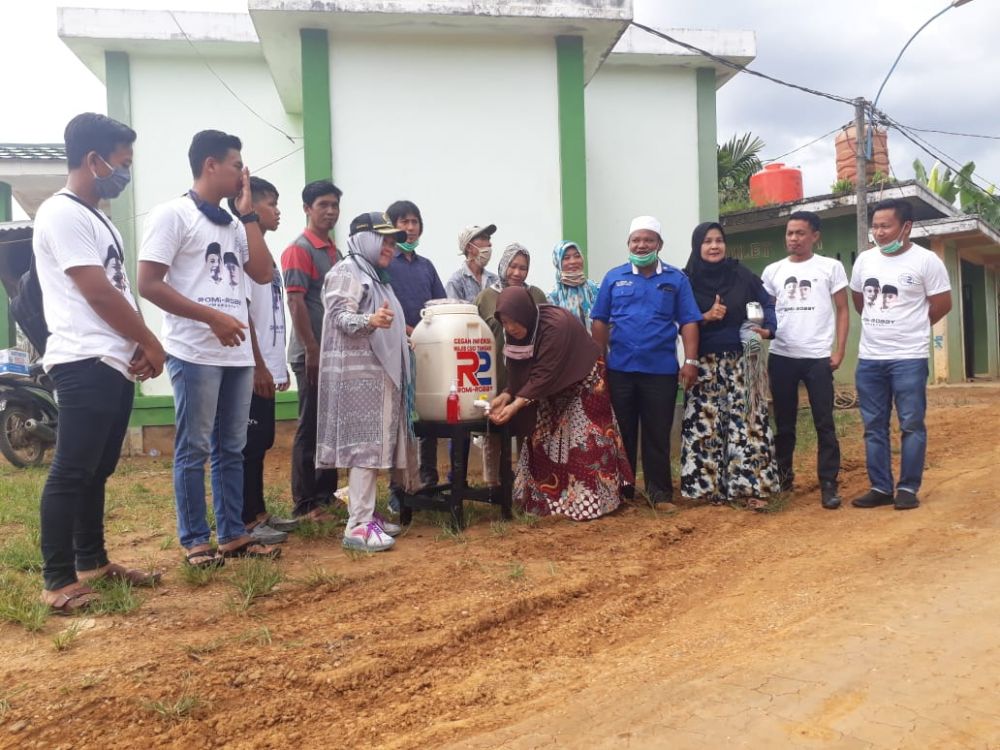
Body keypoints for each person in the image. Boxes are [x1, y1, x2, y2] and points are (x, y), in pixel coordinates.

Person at [34, 112, 165, 613]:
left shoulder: (100, 218)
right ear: (94, 160)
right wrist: (149, 340)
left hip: (111, 360)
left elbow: (118, 291)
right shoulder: (62, 213)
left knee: (97, 469)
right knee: (71, 471)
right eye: (122, 162)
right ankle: (57, 580)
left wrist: (132, 344)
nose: (125, 172)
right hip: (82, 359)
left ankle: (93, 562)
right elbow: (97, 292)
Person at [138, 129, 279, 566]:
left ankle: (233, 535)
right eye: (237, 165)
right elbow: (148, 284)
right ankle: (196, 540)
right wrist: (211, 318)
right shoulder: (173, 215)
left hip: (235, 354)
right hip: (194, 350)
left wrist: (250, 216)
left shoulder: (235, 224)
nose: (243, 174)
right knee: (194, 447)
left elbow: (261, 272)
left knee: (230, 448)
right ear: (211, 165)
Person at [315, 212, 417, 552]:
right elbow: (339, 316)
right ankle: (357, 525)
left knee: (374, 448)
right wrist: (370, 320)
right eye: (384, 240)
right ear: (365, 239)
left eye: (392, 241)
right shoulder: (346, 272)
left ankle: (368, 514)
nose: (390, 246)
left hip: (377, 376)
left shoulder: (375, 275)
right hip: (356, 377)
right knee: (363, 448)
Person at [489, 287, 632, 519]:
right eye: (504, 322)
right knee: (542, 440)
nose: (510, 327)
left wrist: (515, 406)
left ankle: (589, 505)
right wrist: (507, 395)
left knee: (583, 442)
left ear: (525, 313)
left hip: (583, 380)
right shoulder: (514, 333)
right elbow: (516, 367)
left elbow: (544, 374)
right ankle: (546, 503)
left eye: (513, 321)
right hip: (547, 388)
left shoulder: (556, 325)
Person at [590, 216, 701, 507]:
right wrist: (599, 361)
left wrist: (690, 360)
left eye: (648, 240)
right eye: (636, 240)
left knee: (657, 433)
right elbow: (599, 320)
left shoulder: (676, 279)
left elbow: (689, 321)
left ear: (659, 244)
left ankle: (660, 493)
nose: (642, 245)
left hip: (661, 372)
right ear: (628, 244)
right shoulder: (614, 278)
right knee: (621, 434)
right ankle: (622, 494)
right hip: (620, 370)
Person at [849, 198, 952, 511]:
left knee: (911, 424)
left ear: (906, 227)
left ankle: (907, 487)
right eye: (875, 226)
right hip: (869, 359)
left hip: (909, 357)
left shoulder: (926, 261)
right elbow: (858, 300)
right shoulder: (865, 261)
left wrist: (912, 326)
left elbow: (942, 304)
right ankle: (880, 487)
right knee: (873, 426)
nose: (879, 232)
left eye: (886, 226)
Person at [680, 221, 779, 510]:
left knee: (748, 422)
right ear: (697, 246)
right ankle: (707, 490)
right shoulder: (686, 281)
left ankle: (751, 487)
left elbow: (768, 303)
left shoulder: (741, 274)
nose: (714, 246)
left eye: (719, 240)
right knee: (706, 424)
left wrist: (768, 328)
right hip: (705, 361)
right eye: (707, 241)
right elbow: (679, 321)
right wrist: (705, 315)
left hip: (744, 358)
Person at [227, 177, 299, 543]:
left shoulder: (265, 254)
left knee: (263, 441)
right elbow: (244, 311)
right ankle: (245, 520)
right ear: (250, 206)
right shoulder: (240, 250)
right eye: (270, 203)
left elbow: (272, 314)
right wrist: (257, 364)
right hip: (250, 366)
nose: (277, 210)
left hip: (268, 364)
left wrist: (277, 363)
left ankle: (259, 512)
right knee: (249, 443)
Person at [762, 211, 849, 509]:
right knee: (784, 424)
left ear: (815, 236)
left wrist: (839, 351)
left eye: (800, 233)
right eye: (789, 233)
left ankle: (828, 484)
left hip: (817, 358)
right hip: (782, 356)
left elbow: (843, 310)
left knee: (824, 422)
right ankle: (783, 479)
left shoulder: (830, 268)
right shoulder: (772, 271)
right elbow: (767, 312)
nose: (794, 239)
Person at [281, 180, 343, 521]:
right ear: (307, 208)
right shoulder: (299, 249)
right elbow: (295, 301)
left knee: (329, 427)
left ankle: (327, 495)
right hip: (311, 355)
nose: (330, 211)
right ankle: (305, 504)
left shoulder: (333, 251)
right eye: (323, 204)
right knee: (310, 427)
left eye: (334, 205)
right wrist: (312, 348)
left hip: (332, 355)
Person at [385, 200, 446, 490]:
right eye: (403, 222)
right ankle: (400, 487)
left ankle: (428, 478)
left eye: (414, 222)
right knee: (400, 419)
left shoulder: (426, 266)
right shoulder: (385, 265)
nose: (410, 229)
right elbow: (386, 309)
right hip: (396, 351)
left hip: (427, 352)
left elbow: (439, 305)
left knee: (429, 410)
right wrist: (411, 331)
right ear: (392, 227)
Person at [475, 243, 548, 485]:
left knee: (529, 430)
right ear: (504, 265)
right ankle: (493, 485)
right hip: (496, 374)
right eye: (513, 266)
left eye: (523, 268)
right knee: (494, 431)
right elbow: (474, 336)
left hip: (527, 376)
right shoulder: (486, 297)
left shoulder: (536, 295)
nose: (518, 273)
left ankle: (527, 485)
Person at [547, 240, 601, 332]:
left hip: (595, 345)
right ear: (558, 262)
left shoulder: (596, 289)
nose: (573, 261)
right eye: (566, 258)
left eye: (577, 256)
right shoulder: (551, 297)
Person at [446, 224, 499, 302]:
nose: (490, 244)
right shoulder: (456, 282)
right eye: (483, 238)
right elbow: (453, 312)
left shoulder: (495, 281)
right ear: (469, 247)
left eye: (488, 239)